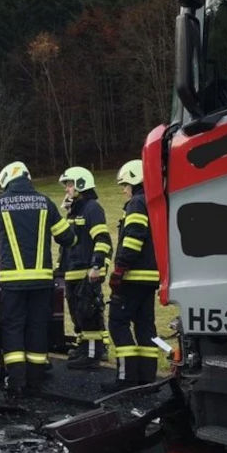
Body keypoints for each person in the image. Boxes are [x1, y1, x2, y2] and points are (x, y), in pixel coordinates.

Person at [0, 161, 75, 397]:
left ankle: (16, 381)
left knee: (13, 327)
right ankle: (35, 380)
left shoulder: (1, 203)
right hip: (42, 281)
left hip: (12, 282)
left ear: (7, 181)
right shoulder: (45, 202)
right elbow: (68, 238)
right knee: (37, 327)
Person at [106, 160, 160, 391]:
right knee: (145, 326)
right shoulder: (152, 203)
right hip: (150, 276)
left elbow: (134, 237)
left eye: (126, 184)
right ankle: (148, 379)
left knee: (118, 323)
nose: (123, 189)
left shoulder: (137, 203)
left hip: (133, 275)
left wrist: (120, 269)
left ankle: (126, 379)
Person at [59, 166, 112, 370]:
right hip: (73, 271)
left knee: (89, 313)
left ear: (81, 184)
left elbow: (102, 239)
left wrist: (97, 265)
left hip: (86, 271)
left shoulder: (92, 208)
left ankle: (92, 355)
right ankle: (83, 348)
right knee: (77, 313)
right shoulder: (75, 210)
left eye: (70, 184)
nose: (67, 189)